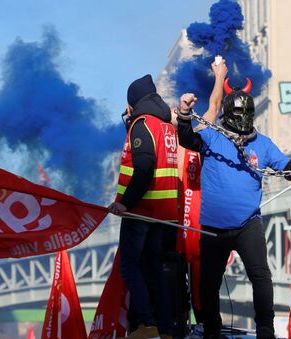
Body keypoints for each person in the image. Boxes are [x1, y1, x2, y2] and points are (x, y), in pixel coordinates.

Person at [176, 80, 291, 339]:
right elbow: (186, 139)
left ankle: (265, 329)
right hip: (214, 226)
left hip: (248, 223)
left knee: (261, 276)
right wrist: (184, 114)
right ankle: (212, 330)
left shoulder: (263, 143)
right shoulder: (211, 135)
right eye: (238, 116)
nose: (242, 121)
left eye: (247, 116)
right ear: (227, 115)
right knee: (209, 283)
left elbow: (288, 167)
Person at [108, 74, 178, 339]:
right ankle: (165, 328)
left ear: (132, 104)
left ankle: (147, 324)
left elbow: (145, 168)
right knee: (154, 269)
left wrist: (125, 203)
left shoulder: (142, 124)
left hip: (142, 210)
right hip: (162, 212)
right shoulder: (166, 127)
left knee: (129, 265)